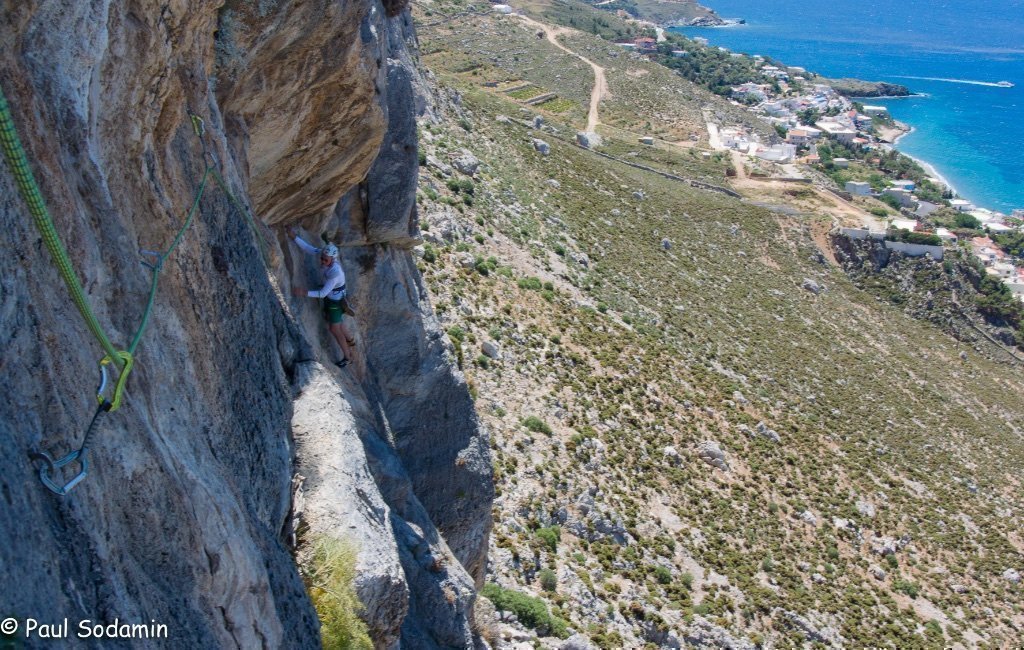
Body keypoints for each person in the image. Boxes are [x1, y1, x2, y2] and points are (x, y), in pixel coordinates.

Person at [286, 226, 355, 367]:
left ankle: (347, 357)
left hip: (334, 302)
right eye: (322, 258)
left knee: (334, 329)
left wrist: (304, 292)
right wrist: (294, 237)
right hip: (335, 297)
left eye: (325, 260)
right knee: (339, 323)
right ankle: (351, 340)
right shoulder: (326, 255)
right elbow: (309, 249)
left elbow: (323, 293)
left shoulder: (335, 273)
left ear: (333, 260)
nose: (322, 261)